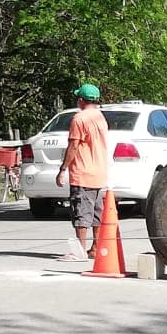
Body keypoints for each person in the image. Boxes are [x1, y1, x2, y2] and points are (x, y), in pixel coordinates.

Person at [56, 83, 109, 260]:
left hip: (83, 172)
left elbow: (73, 146)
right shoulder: (100, 117)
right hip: (99, 172)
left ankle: (79, 251)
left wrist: (63, 169)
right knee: (96, 213)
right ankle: (95, 248)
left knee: (81, 213)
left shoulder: (79, 119)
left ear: (81, 100)